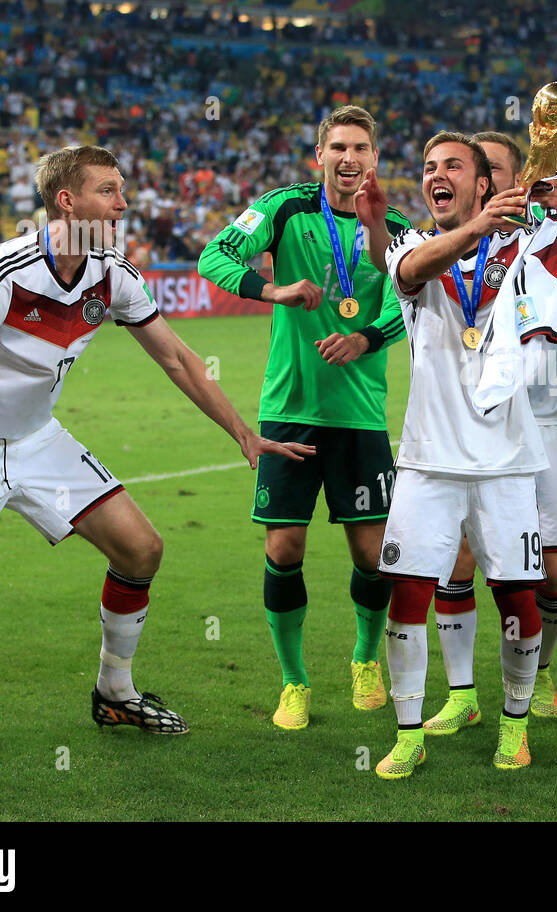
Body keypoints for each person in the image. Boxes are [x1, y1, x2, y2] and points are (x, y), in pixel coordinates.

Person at [0, 144, 312, 777]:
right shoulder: (4, 271)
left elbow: (177, 358)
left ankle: (114, 694)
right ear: (69, 201)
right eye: (109, 191)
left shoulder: (113, 273)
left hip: (37, 440)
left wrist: (242, 434)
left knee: (141, 550)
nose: (124, 203)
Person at [198, 105, 412, 730]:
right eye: (339, 147)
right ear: (318, 155)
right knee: (284, 546)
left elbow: (419, 303)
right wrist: (274, 290)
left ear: (375, 158)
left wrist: (367, 338)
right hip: (290, 410)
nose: (350, 159)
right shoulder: (283, 209)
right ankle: (293, 682)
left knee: (373, 554)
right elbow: (214, 257)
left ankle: (365, 660)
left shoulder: (395, 225)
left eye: (362, 148)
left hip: (360, 413)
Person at [421, 86, 557, 731]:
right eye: (498, 175)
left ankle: (541, 671)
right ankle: (460, 694)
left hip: (544, 418)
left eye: (507, 169)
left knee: (550, 573)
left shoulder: (544, 238)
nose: (513, 182)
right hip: (470, 427)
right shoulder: (449, 242)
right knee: (459, 561)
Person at [370, 132, 557, 779]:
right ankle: (407, 733)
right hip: (428, 461)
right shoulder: (409, 246)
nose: (435, 175)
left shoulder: (523, 253)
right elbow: (410, 271)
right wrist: (478, 226)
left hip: (506, 462)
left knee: (518, 601)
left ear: (484, 183)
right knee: (407, 595)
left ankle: (514, 726)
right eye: (427, 167)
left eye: (452, 165)